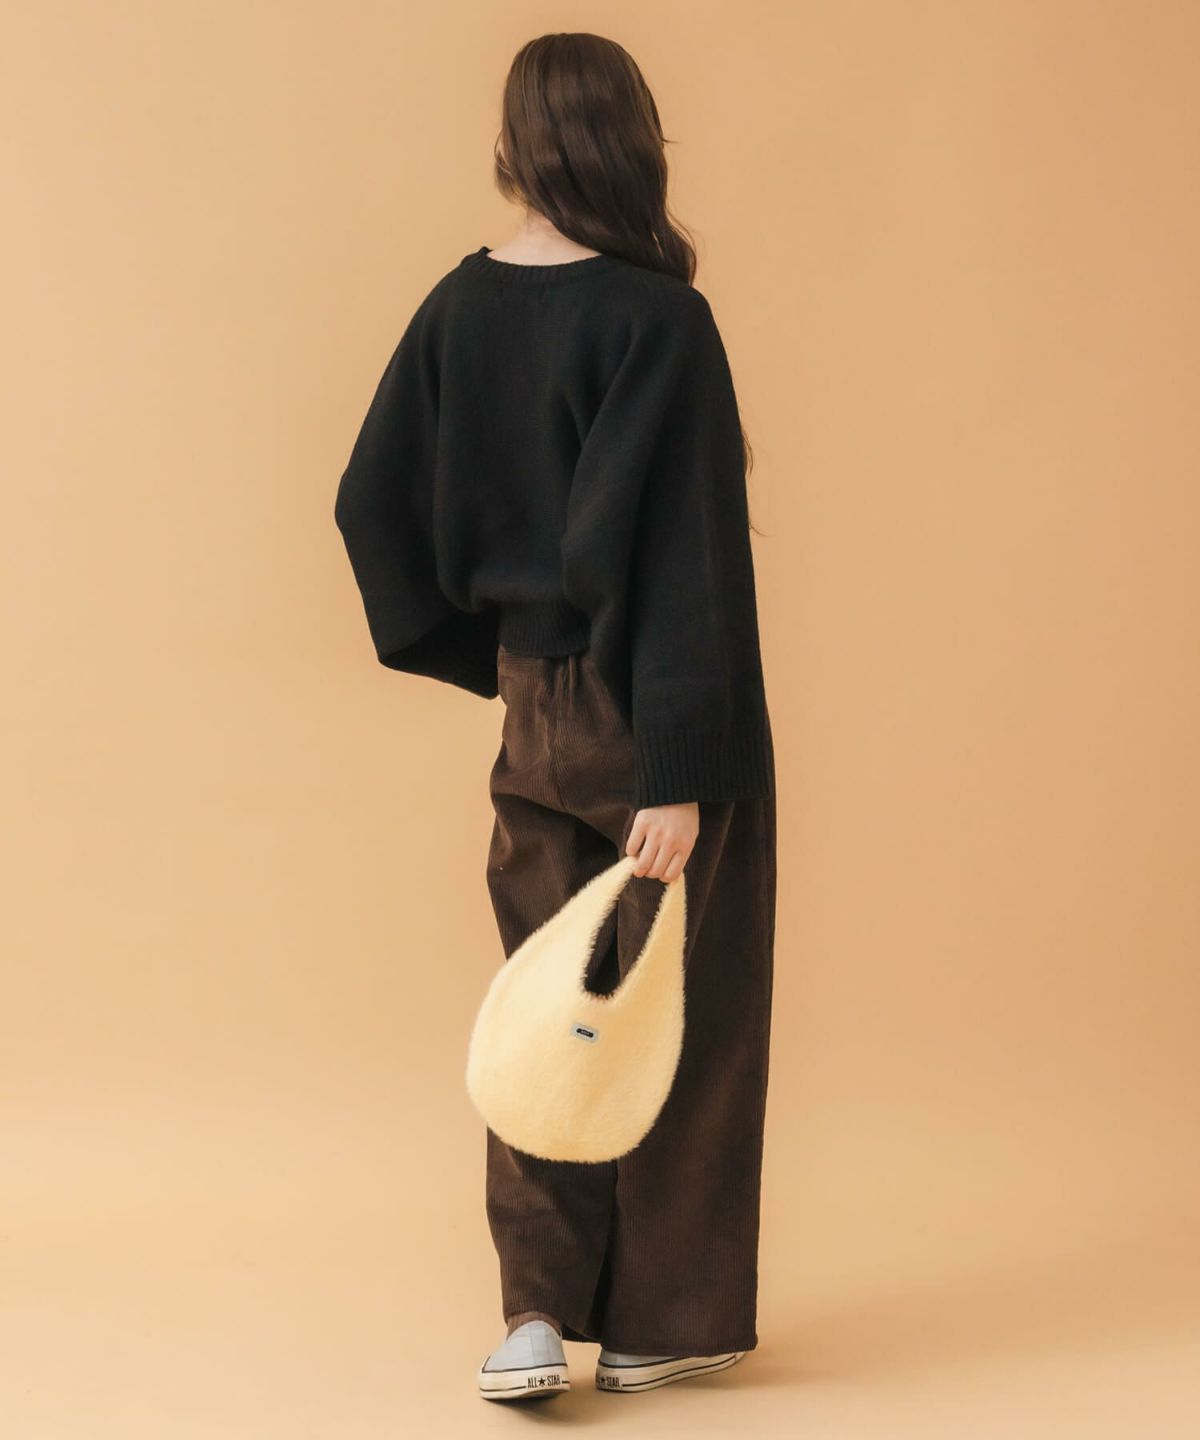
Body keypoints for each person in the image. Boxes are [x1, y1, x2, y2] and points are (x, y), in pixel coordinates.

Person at [334, 31, 777, 1401]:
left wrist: (502, 654)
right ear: (631, 141)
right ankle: (657, 1322)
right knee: (682, 1016)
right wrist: (679, 770)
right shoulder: (660, 320)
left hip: (537, 707)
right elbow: (687, 562)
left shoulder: (458, 308)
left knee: (542, 1008)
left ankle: (531, 1317)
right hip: (663, 715)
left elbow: (368, 500)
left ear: (514, 147)